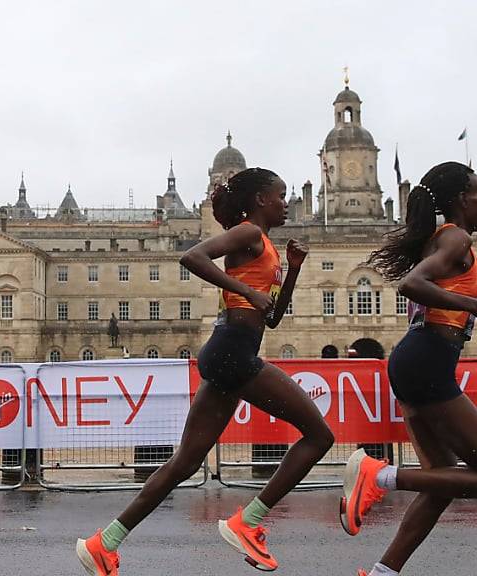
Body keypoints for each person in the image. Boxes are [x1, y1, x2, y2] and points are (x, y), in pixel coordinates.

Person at [76, 167, 334, 575]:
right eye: (281, 195)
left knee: (185, 463)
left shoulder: (263, 244)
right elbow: (191, 256)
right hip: (232, 351)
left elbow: (273, 318)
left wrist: (295, 268)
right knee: (320, 435)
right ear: (261, 200)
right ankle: (247, 522)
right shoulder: (249, 233)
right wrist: (246, 290)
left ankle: (103, 543)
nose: (287, 203)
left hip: (229, 349)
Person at [344, 161, 477, 576]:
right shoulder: (454, 238)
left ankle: (385, 572)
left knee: (440, 481)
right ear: (461, 200)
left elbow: (438, 313)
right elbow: (411, 285)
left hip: (418, 357)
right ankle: (379, 475)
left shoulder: (444, 240)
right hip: (426, 361)